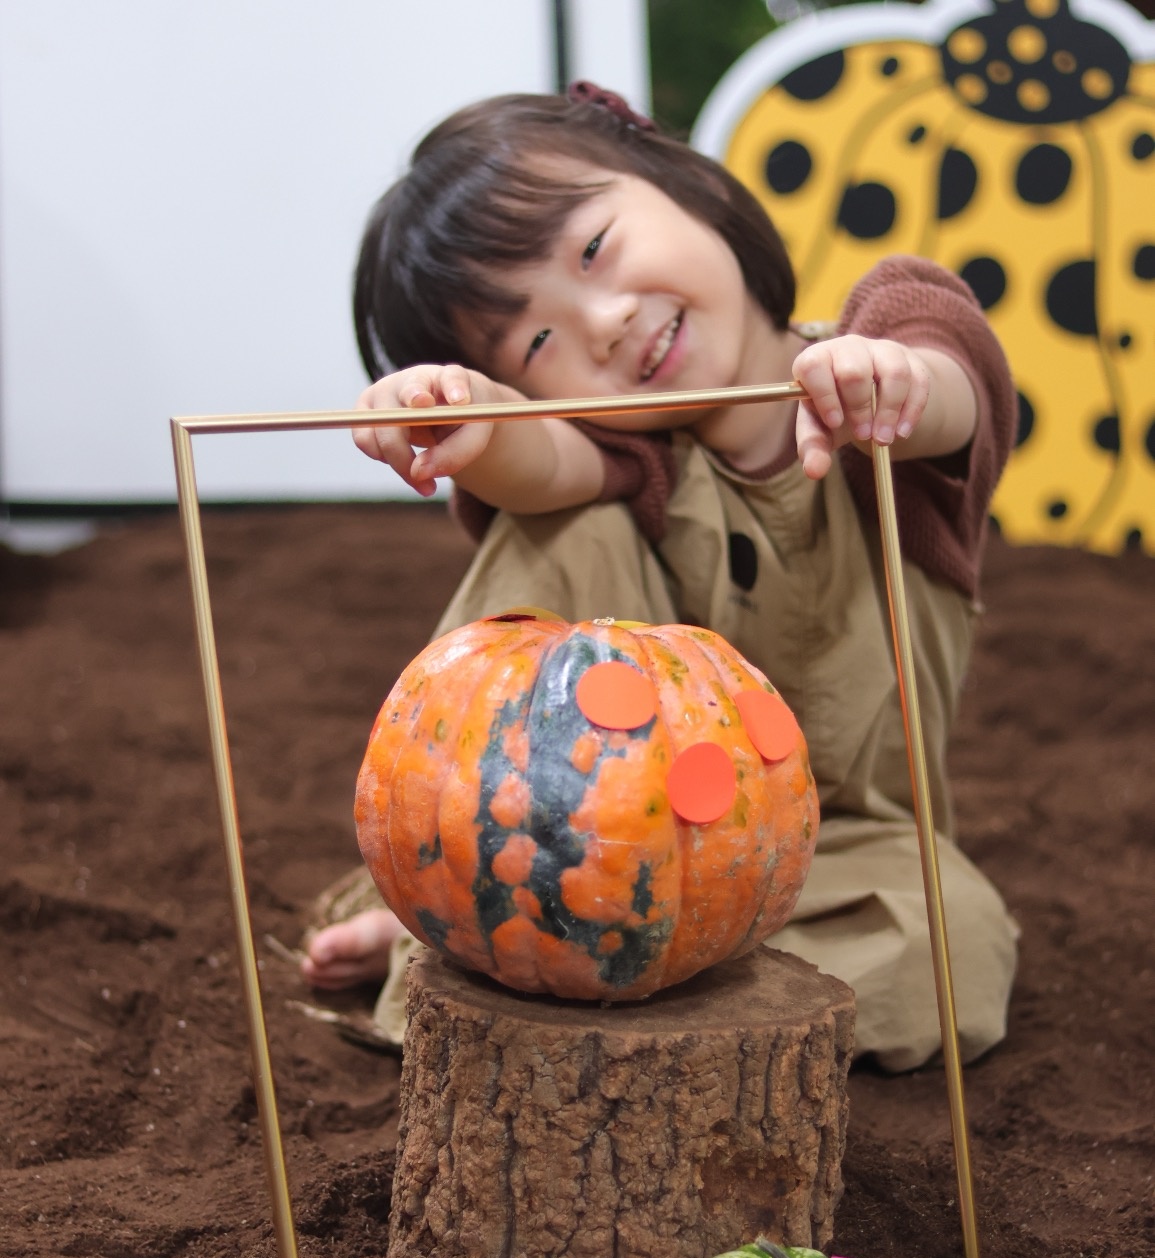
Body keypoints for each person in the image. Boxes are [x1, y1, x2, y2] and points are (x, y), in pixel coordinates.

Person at [301, 84, 1019, 1071]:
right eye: (537, 345)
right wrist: (467, 416)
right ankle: (465, 883)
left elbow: (953, 384)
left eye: (595, 248)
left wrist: (893, 383)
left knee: (948, 952)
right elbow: (544, 462)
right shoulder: (636, 465)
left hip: (842, 854)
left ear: (684, 188)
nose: (603, 321)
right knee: (560, 522)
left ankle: (597, 981)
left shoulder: (886, 337)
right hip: (592, 849)